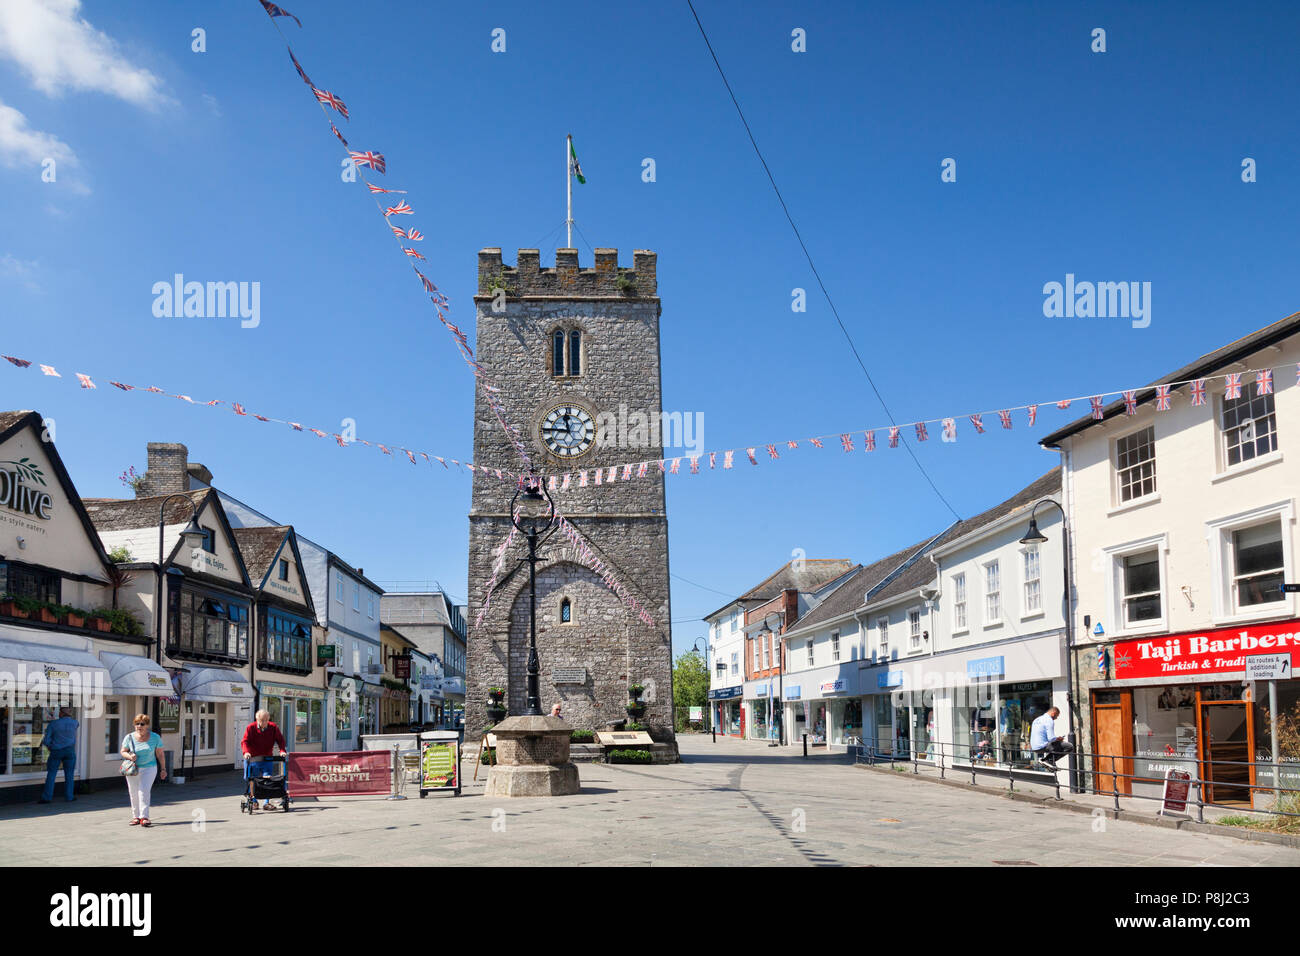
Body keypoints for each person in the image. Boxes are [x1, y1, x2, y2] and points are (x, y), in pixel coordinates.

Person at [120, 714, 165, 826]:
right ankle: (135, 817)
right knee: (133, 792)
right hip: (133, 768)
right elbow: (123, 751)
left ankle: (144, 817)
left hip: (149, 768)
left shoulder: (155, 737)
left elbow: (160, 754)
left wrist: (163, 769)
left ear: (147, 725)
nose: (139, 726)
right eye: (137, 724)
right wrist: (130, 756)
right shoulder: (129, 737)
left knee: (143, 791)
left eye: (142, 724)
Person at [241, 708, 287, 810]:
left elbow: (280, 740)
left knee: (268, 779)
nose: (264, 722)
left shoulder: (273, 727)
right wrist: (246, 752)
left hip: (267, 757)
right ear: (257, 719)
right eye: (262, 720)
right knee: (251, 779)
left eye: (266, 720)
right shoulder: (251, 728)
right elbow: (245, 741)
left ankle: (266, 802)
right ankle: (254, 801)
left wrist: (282, 750)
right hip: (253, 758)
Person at [39, 707, 78, 804]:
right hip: (70, 751)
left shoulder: (54, 724)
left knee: (52, 773)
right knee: (69, 774)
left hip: (56, 750)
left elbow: (46, 740)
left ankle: (47, 797)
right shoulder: (75, 723)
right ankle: (69, 796)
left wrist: (50, 746)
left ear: (61, 713)